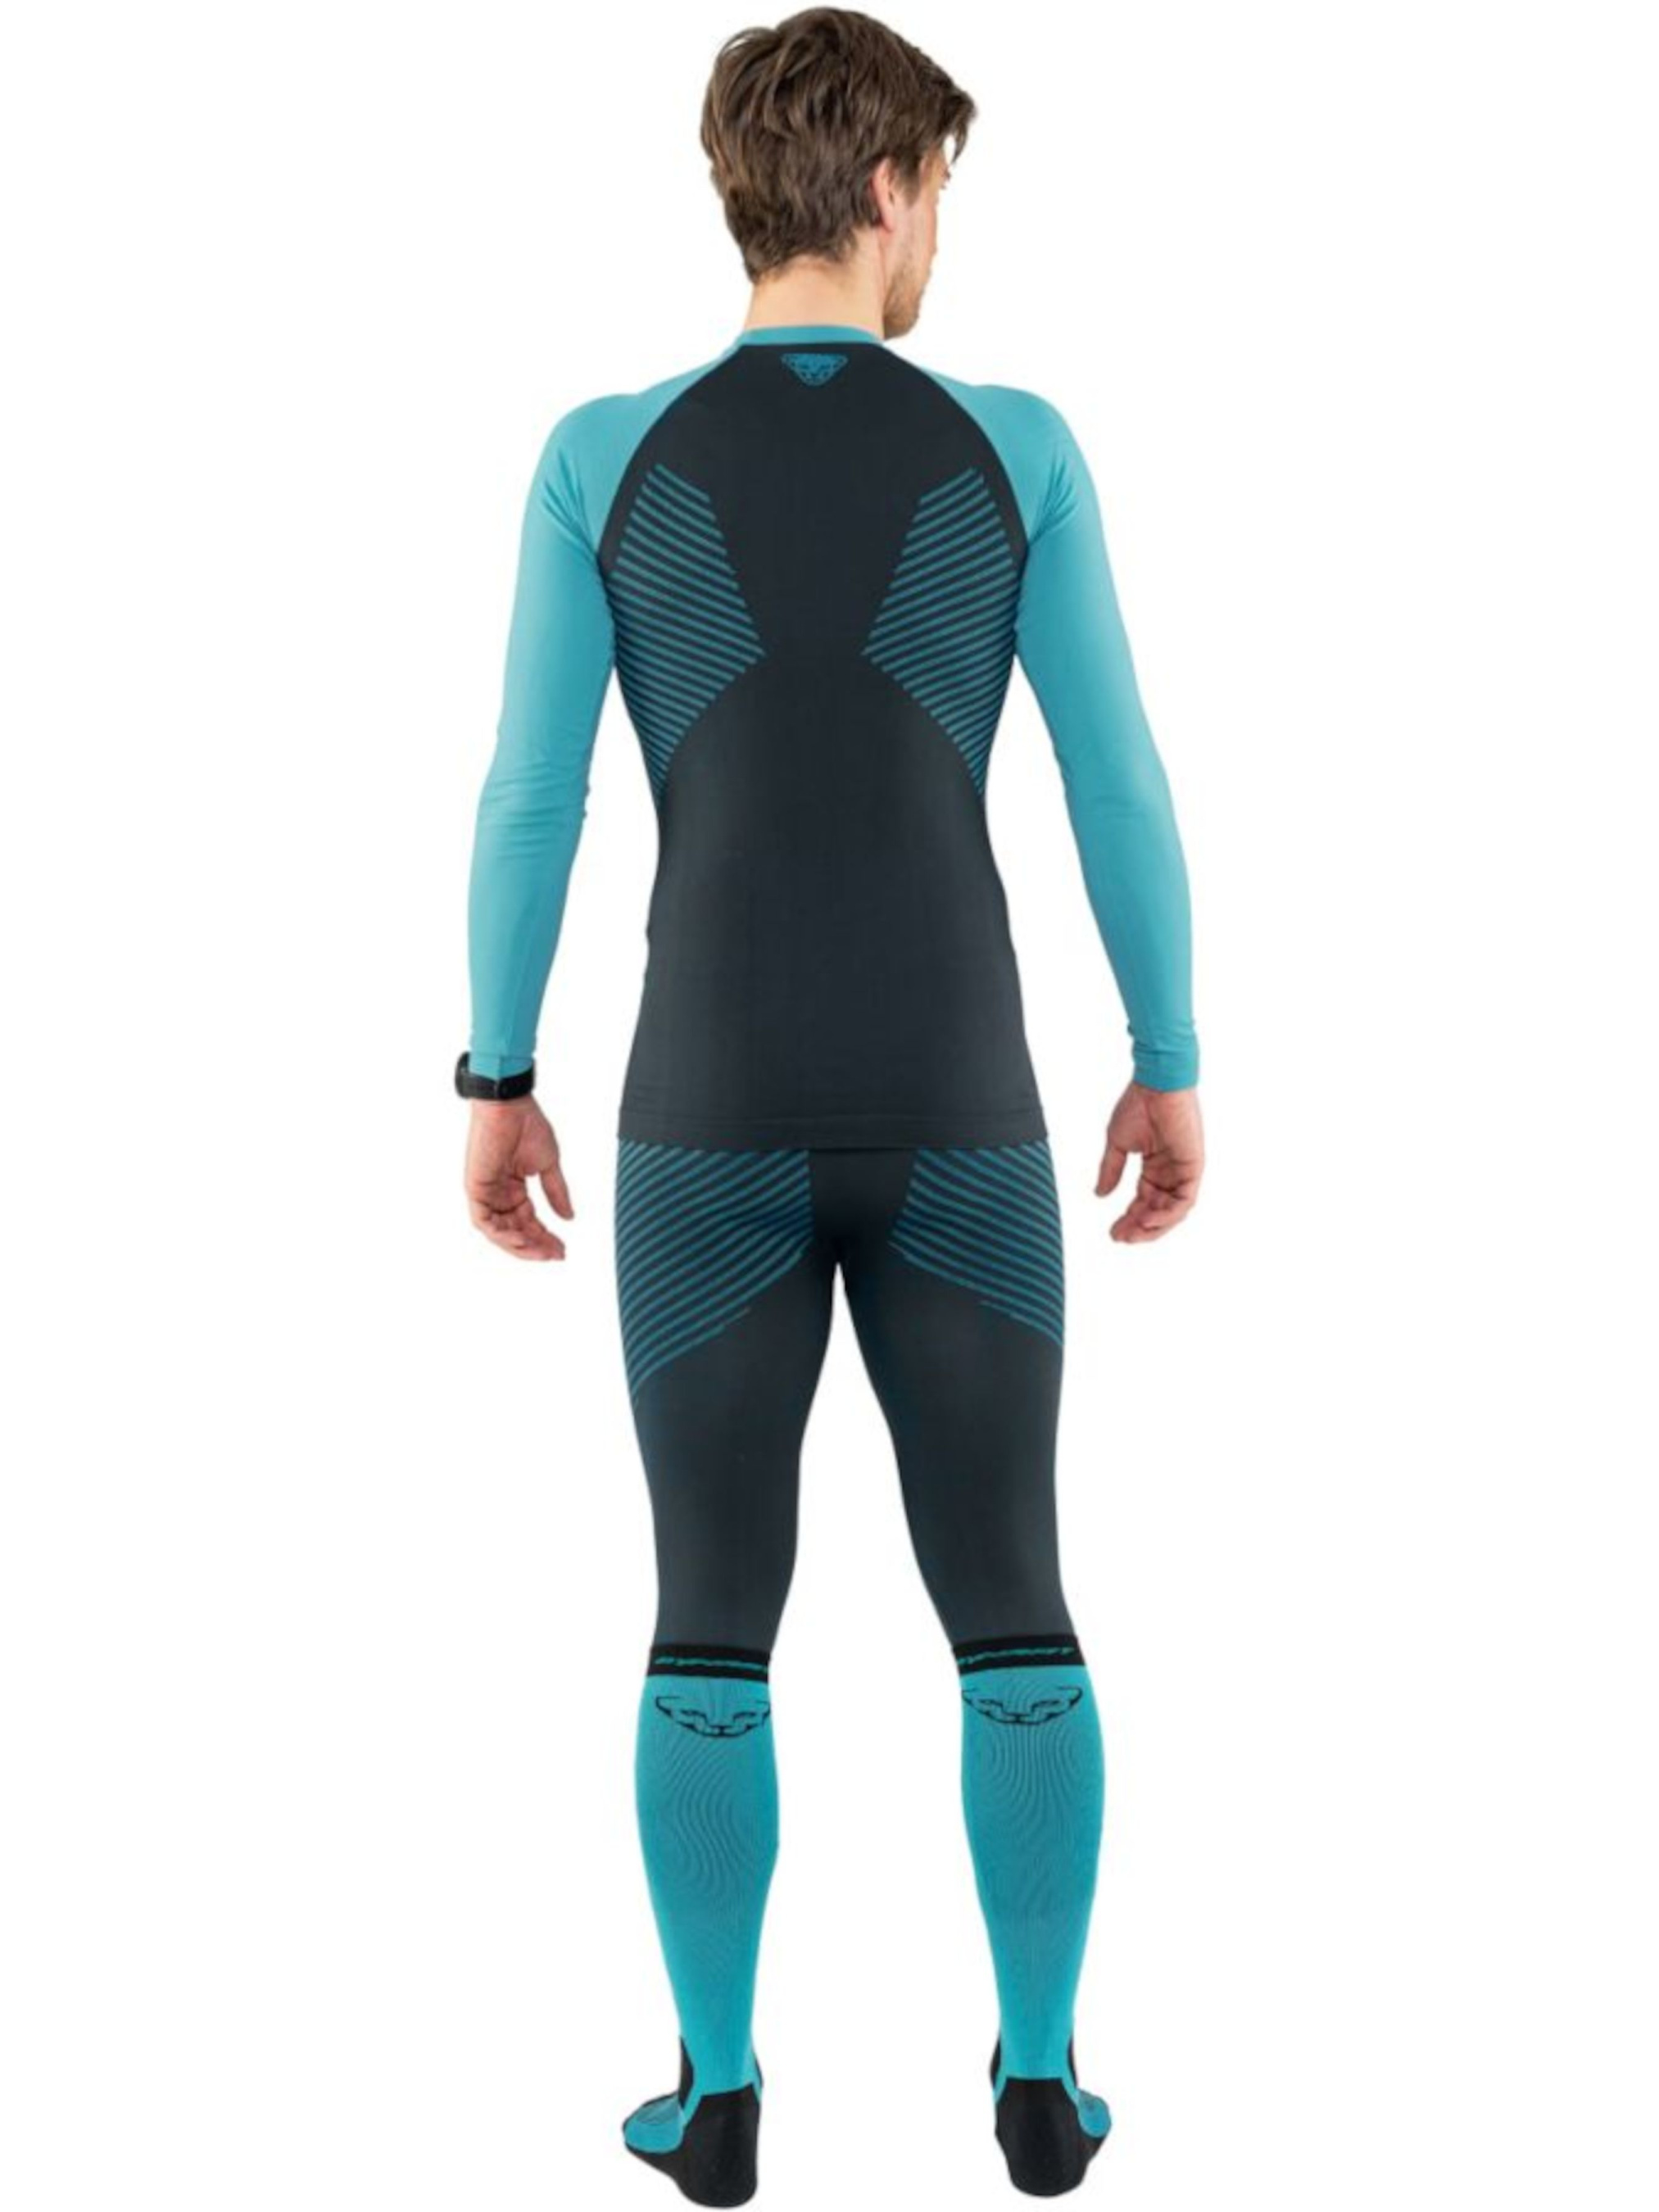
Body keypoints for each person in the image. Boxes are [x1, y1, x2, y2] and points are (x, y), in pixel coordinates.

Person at [456, 9, 1203, 2200]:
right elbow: (1116, 782)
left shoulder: (601, 458)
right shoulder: (1015, 449)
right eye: (941, 189)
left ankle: (716, 2098)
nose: (941, 232)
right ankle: (1043, 2085)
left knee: (708, 1610)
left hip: (703, 1120)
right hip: (963, 1115)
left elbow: (529, 796)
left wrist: (496, 1073)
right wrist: (1166, 1054)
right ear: (885, 187)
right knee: (1014, 1596)